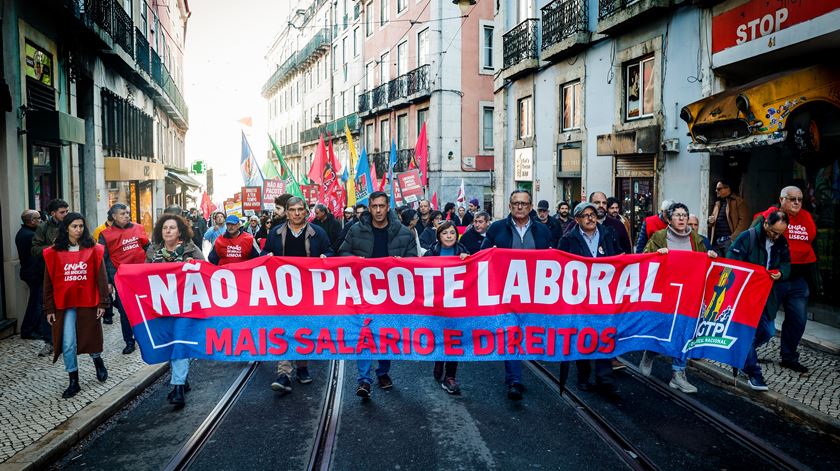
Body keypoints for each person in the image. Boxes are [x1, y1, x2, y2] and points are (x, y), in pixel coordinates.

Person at [339, 191, 417, 399]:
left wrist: (402, 262)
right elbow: (342, 254)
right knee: (364, 335)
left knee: (386, 334)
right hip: (363, 292)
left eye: (382, 206)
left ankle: (383, 372)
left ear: (388, 206)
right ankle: (364, 379)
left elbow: (414, 261)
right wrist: (357, 259)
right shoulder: (355, 230)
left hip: (391, 294)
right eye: (374, 206)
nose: (378, 210)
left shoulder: (404, 233)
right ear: (369, 207)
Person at [480, 189, 553, 401]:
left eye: (523, 203)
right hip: (506, 293)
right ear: (510, 206)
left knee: (530, 333)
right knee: (511, 334)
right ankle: (514, 380)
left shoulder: (543, 231)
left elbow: (553, 260)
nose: (519, 207)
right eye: (515, 203)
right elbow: (483, 257)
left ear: (531, 207)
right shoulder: (496, 229)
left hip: (535, 293)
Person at [638, 203, 718, 393]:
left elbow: (705, 263)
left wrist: (711, 256)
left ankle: (678, 374)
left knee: (684, 332)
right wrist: (657, 254)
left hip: (689, 294)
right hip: (666, 293)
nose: (682, 218)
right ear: (669, 219)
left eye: (685, 215)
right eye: (678, 215)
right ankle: (650, 353)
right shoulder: (659, 237)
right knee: (662, 329)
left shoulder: (697, 239)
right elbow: (644, 258)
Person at [263, 196, 333, 393]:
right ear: (286, 212)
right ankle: (283, 373)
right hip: (283, 290)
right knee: (283, 329)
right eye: (292, 210)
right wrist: (266, 257)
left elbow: (330, 251)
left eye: (300, 209)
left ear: (306, 211)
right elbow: (265, 252)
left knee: (303, 329)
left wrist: (325, 257)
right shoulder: (276, 233)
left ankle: (302, 367)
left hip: (309, 290)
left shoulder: (318, 233)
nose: (296, 213)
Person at [557, 202, 622, 397]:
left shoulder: (608, 234)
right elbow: (561, 266)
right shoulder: (569, 239)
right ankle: (583, 376)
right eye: (585, 215)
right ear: (576, 219)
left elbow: (619, 257)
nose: (590, 218)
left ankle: (605, 378)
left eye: (592, 214)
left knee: (605, 334)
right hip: (581, 297)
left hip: (605, 295)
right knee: (584, 335)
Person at [43, 213, 110, 399]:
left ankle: (97, 360)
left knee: (90, 337)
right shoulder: (53, 252)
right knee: (68, 342)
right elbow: (48, 282)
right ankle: (74, 380)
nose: (78, 230)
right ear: (66, 228)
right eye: (74, 226)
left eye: (81, 226)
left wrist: (103, 302)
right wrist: (49, 308)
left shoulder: (94, 249)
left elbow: (101, 278)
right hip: (64, 304)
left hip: (88, 301)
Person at [752, 186, 815, 373]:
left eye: (800, 199)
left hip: (797, 279)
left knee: (798, 319)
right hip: (774, 278)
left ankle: (788, 357)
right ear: (782, 199)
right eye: (792, 199)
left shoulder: (806, 218)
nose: (797, 203)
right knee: (764, 320)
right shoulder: (769, 216)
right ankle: (747, 350)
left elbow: (810, 239)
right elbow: (755, 240)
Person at [727, 210, 790, 390]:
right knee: (746, 333)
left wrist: (781, 273)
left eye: (780, 233)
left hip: (766, 295)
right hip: (745, 295)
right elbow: (732, 262)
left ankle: (740, 352)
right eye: (773, 232)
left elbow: (787, 264)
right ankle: (754, 374)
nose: (776, 236)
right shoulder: (747, 238)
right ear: (765, 224)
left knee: (768, 331)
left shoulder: (782, 241)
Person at [145, 214, 204, 407]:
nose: (168, 231)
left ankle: (177, 387)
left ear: (179, 231)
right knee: (171, 343)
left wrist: (193, 267)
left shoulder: (190, 249)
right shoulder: (153, 252)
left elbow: (206, 271)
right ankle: (183, 378)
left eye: (172, 228)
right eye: (164, 228)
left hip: (185, 306)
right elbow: (144, 275)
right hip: (162, 307)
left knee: (179, 342)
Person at [424, 221, 470, 394]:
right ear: (439, 236)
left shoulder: (463, 252)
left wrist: (469, 260)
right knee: (439, 337)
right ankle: (438, 361)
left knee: (454, 339)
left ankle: (450, 376)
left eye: (452, 233)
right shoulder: (430, 254)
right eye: (445, 233)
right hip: (436, 304)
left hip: (456, 305)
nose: (449, 236)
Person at [99, 203, 150, 354]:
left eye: (127, 213)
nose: (127, 216)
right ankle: (129, 340)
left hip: (141, 275)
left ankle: (145, 336)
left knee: (144, 308)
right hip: (121, 279)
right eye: (123, 214)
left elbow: (148, 248)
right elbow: (103, 260)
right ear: (114, 216)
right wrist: (108, 281)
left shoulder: (138, 228)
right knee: (125, 311)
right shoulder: (105, 234)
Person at [32, 199, 70, 356]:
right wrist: (53, 248)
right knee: (47, 307)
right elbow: (35, 249)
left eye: (67, 211)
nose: (65, 214)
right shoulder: (43, 227)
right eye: (62, 212)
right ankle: (49, 342)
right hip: (51, 273)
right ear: (53, 213)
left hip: (71, 272)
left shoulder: (73, 223)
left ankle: (70, 339)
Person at [16, 209, 43, 339]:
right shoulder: (29, 235)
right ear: (32, 221)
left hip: (31, 272)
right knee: (35, 303)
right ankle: (28, 330)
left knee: (36, 302)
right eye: (38, 218)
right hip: (34, 273)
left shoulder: (25, 232)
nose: (41, 220)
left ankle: (35, 328)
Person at [708, 179, 750, 255]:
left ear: (727, 188)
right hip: (716, 242)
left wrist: (733, 239)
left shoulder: (739, 202)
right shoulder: (718, 203)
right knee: (717, 265)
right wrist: (710, 221)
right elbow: (711, 222)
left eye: (719, 189)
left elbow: (744, 222)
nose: (716, 191)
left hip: (729, 241)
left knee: (730, 264)